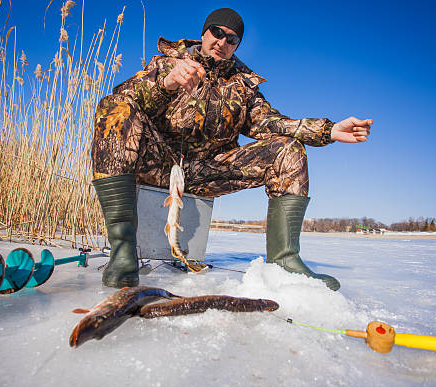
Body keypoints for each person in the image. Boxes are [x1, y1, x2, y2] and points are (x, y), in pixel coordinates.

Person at [91, 8, 372, 291]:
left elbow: (271, 123)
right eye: (217, 32)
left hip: (206, 171)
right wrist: (168, 82)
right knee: (114, 108)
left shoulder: (243, 85)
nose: (222, 42)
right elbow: (122, 97)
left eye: (232, 39)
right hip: (156, 162)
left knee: (288, 150)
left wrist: (328, 130)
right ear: (204, 33)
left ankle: (285, 262)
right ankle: (123, 252)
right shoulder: (167, 64)